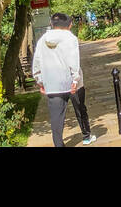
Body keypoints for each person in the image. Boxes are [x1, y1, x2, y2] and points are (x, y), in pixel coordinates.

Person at [32, 12, 95, 146]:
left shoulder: (43, 39)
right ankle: (86, 136)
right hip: (71, 83)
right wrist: (75, 80)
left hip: (52, 83)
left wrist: (40, 81)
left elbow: (37, 62)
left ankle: (59, 144)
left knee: (56, 119)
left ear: (52, 24)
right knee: (80, 109)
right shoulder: (70, 38)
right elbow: (73, 61)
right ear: (69, 25)